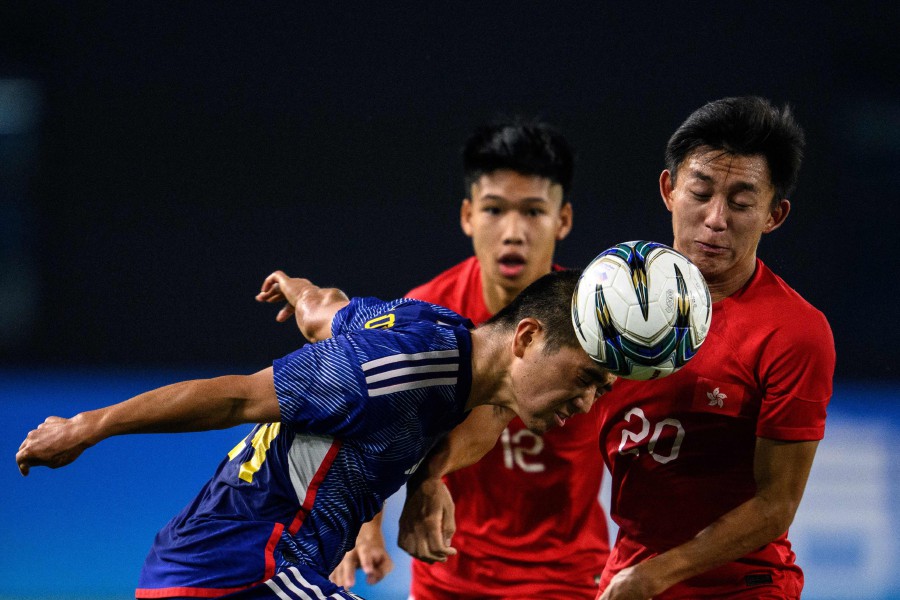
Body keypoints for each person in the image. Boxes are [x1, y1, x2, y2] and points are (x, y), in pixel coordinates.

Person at [403, 96, 836, 600]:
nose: (715, 219)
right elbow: (502, 405)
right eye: (700, 192)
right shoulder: (610, 299)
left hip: (741, 587)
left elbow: (777, 504)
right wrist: (430, 476)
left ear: (774, 215)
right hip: (626, 579)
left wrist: (658, 573)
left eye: (740, 203)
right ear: (669, 190)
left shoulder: (794, 333)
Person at [16, 268, 614, 600]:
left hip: (229, 569)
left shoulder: (445, 336)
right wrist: (85, 426)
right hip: (241, 571)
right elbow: (237, 397)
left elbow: (326, 310)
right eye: (584, 379)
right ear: (528, 338)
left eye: (600, 392)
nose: (585, 403)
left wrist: (294, 287)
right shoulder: (391, 371)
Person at [334, 118, 612, 598]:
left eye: (532, 212)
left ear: (563, 219)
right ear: (467, 216)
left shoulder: (598, 323)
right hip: (447, 572)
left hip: (566, 578)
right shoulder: (427, 312)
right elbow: (375, 420)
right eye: (494, 210)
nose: (512, 232)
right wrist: (364, 525)